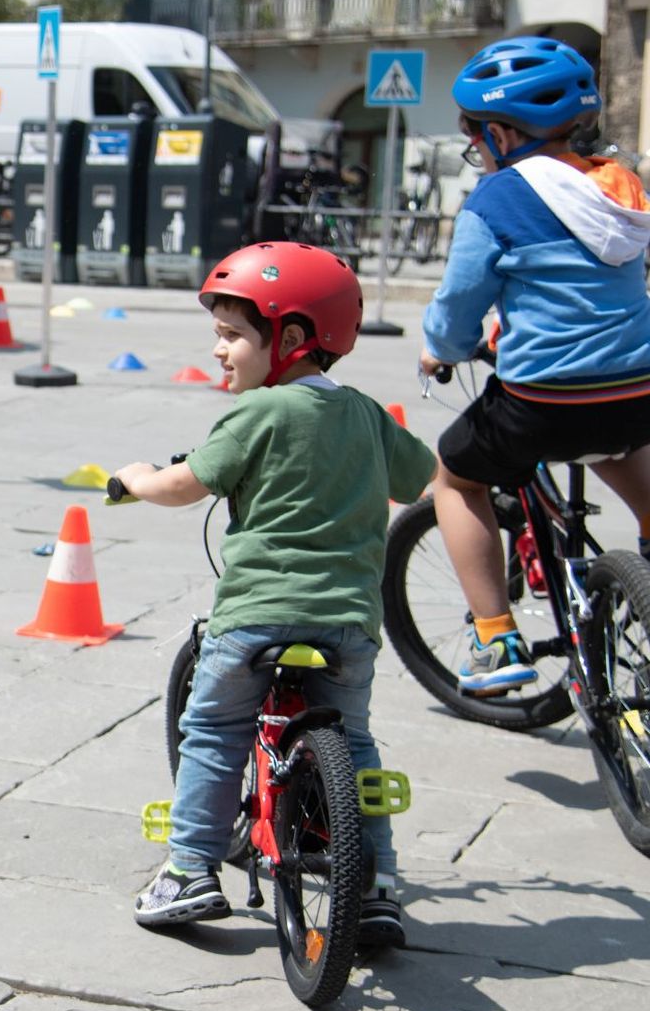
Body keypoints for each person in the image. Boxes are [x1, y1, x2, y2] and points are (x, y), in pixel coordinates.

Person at [112, 241, 436, 948]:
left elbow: (183, 486)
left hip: (255, 617)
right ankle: (376, 886)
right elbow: (421, 480)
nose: (221, 351)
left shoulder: (254, 416)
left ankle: (190, 869)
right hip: (350, 625)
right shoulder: (369, 415)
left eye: (231, 335)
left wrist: (135, 477)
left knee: (214, 731)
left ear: (289, 339)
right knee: (353, 742)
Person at [420, 36, 650, 695]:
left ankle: (494, 637)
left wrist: (445, 345)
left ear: (498, 134)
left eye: (475, 139)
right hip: (636, 386)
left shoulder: (498, 201)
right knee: (617, 440)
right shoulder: (621, 187)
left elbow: (460, 306)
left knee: (456, 476)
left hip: (543, 399)